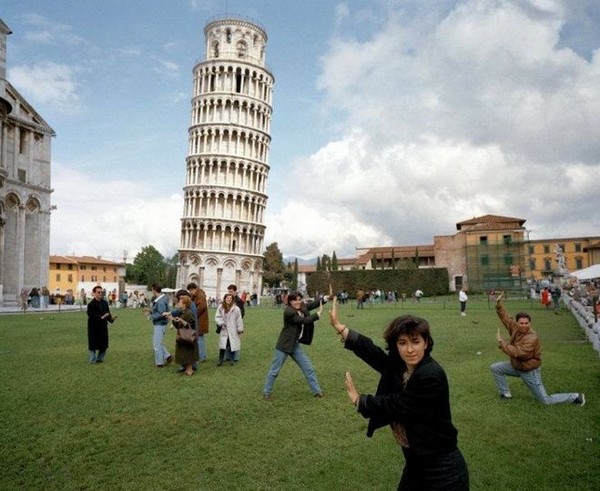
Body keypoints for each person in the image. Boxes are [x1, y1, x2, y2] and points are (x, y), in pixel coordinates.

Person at [329, 299, 469, 490]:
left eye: (416, 342)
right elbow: (375, 355)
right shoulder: (402, 366)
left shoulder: (430, 375)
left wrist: (360, 400)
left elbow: (398, 405)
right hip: (416, 464)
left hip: (443, 470)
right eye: (402, 343)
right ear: (396, 345)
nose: (410, 349)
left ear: (426, 343)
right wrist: (341, 328)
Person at [490, 291, 585, 405]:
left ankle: (575, 397)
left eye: (526, 323)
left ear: (530, 323)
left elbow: (518, 353)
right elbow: (505, 318)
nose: (524, 325)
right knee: (496, 368)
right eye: (521, 323)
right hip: (517, 366)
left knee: (545, 401)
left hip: (529, 371)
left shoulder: (532, 337)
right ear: (517, 323)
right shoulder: (515, 328)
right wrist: (499, 304)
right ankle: (505, 394)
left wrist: (502, 343)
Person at [263, 292, 324, 400]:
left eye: (299, 299)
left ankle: (317, 392)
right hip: (284, 345)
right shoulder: (289, 312)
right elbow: (304, 320)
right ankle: (266, 392)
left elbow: (310, 305)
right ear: (290, 301)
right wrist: (317, 315)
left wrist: (324, 299)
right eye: (295, 300)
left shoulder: (301, 307)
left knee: (308, 368)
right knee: (274, 371)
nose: (298, 302)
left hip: (295, 345)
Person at [169, 294, 199, 376]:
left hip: (188, 337)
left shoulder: (189, 313)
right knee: (183, 353)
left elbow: (191, 325)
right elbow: (178, 325)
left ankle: (190, 370)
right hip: (182, 336)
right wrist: (173, 320)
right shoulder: (182, 312)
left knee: (188, 353)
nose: (178, 303)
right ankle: (186, 368)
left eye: (180, 301)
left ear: (184, 304)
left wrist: (181, 321)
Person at [86, 285, 117, 363]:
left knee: (103, 344)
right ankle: (92, 359)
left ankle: (100, 358)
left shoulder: (105, 303)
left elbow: (108, 313)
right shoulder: (91, 304)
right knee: (93, 344)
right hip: (93, 327)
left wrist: (111, 319)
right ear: (94, 293)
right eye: (98, 292)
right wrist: (101, 317)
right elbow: (91, 315)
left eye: (101, 292)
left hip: (103, 326)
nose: (100, 293)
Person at [146, 284, 173, 368]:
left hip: (160, 324)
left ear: (154, 290)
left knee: (156, 345)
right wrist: (151, 311)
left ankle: (160, 363)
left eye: (152, 290)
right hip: (161, 324)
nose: (152, 291)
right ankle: (168, 356)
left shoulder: (160, 301)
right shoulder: (162, 299)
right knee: (158, 343)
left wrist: (151, 316)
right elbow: (161, 311)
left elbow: (162, 314)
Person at [215, 293, 244, 366]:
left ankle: (232, 359)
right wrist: (221, 323)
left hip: (233, 329)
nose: (229, 299)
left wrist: (240, 329)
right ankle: (220, 360)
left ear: (232, 300)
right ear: (225, 299)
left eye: (230, 298)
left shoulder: (236, 309)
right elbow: (217, 317)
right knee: (223, 345)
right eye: (227, 298)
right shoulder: (221, 307)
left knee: (232, 344)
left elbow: (239, 319)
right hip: (224, 328)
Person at [188, 282, 209, 363]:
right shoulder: (197, 294)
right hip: (199, 319)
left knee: (199, 338)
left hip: (200, 320)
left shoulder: (200, 295)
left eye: (191, 290)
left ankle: (202, 357)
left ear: (195, 289)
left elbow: (202, 306)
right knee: (200, 338)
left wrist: (194, 314)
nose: (190, 292)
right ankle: (202, 356)